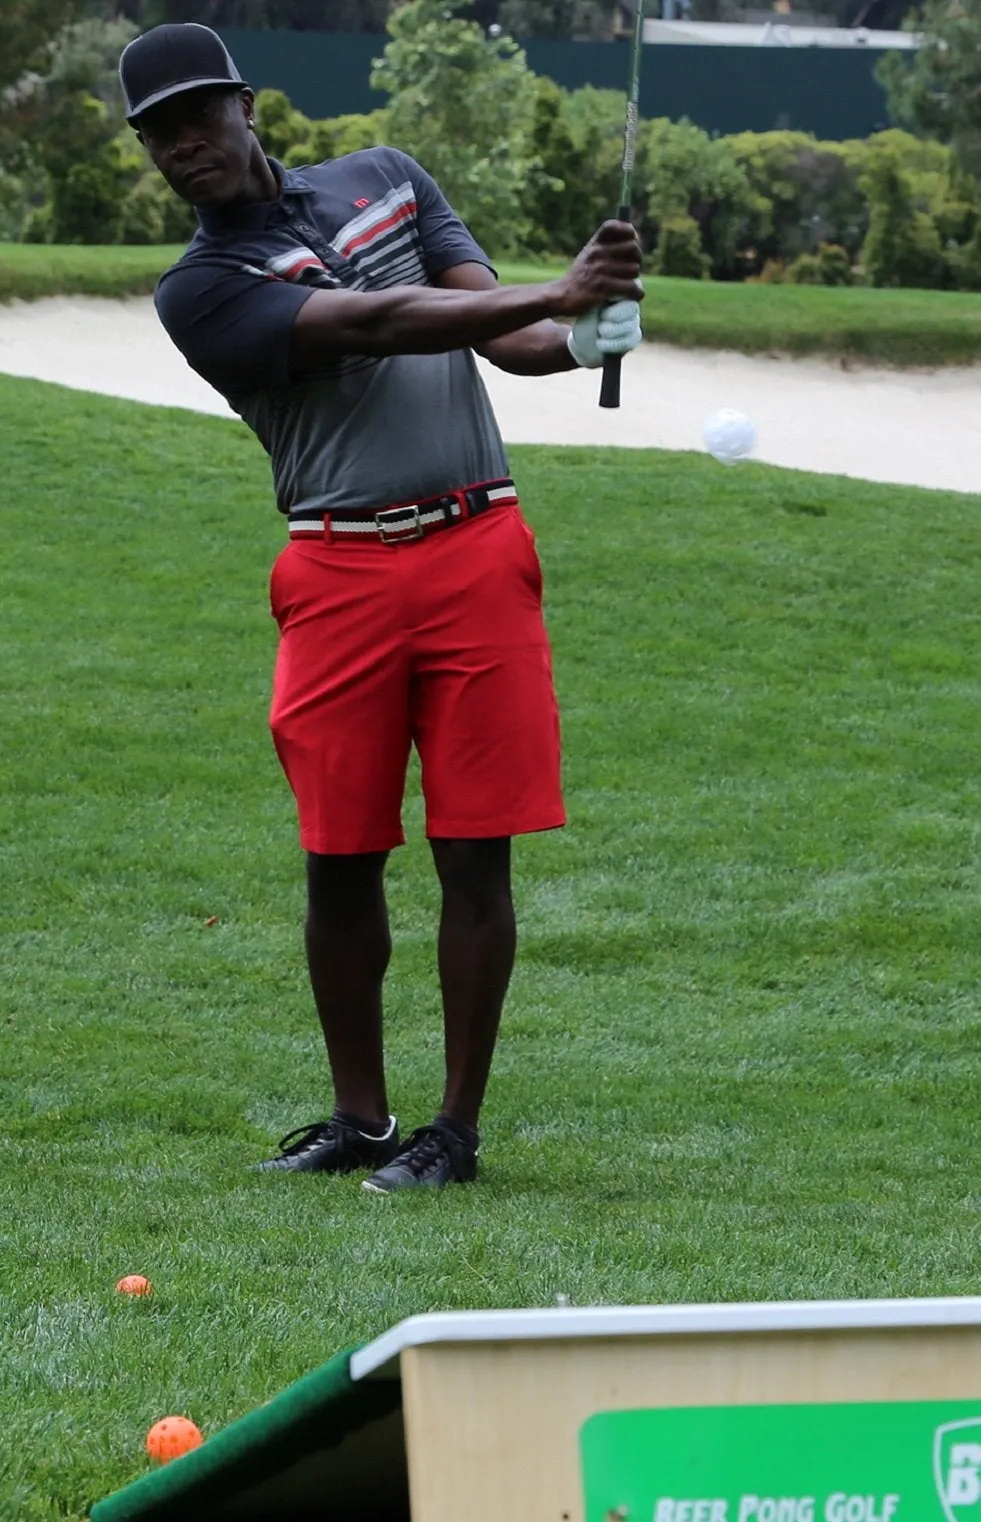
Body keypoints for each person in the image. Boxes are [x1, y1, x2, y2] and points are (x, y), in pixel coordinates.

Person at [118, 22, 643, 1191]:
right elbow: (371, 324)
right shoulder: (200, 291)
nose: (181, 145)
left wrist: (587, 326)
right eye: (157, 134)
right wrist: (553, 289)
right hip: (337, 570)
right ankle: (360, 1117)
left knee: (474, 849)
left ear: (246, 106)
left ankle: (451, 1132)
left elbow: (508, 337)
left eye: (197, 117)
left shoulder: (388, 178)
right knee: (338, 854)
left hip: (477, 548)